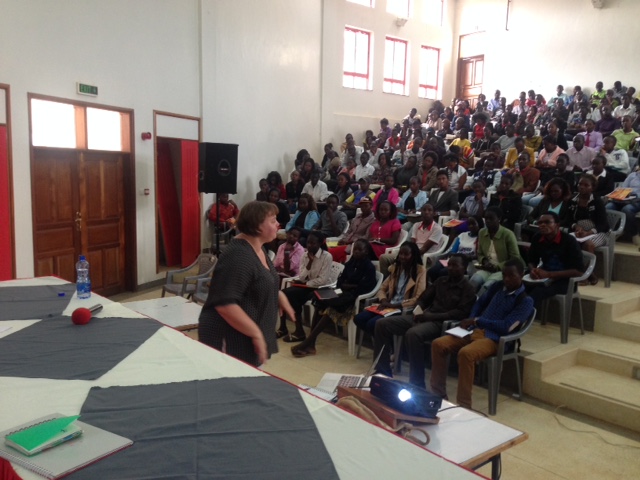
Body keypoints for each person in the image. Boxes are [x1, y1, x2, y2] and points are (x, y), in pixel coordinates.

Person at [199, 201, 296, 366]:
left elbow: (256, 281)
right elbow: (225, 304)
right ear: (257, 227)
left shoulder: (257, 247)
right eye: (272, 221)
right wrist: (256, 334)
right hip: (227, 336)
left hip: (244, 334)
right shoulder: (239, 255)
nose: (278, 224)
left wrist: (277, 295)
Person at [430, 259, 534, 409]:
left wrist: (478, 321)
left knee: (466, 353)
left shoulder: (525, 301)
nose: (506, 279)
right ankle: (437, 394)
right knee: (438, 344)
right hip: (474, 330)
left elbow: (506, 327)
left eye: (511, 276)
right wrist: (472, 319)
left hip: (495, 339)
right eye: (504, 275)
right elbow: (479, 303)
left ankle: (464, 405)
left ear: (522, 275)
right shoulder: (497, 287)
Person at [373, 254, 475, 388]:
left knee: (413, 334)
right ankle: (382, 371)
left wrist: (430, 317)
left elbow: (460, 313)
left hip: (441, 323)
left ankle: (417, 382)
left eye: (455, 266)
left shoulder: (468, 288)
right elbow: (423, 298)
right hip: (424, 317)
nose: (450, 268)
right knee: (382, 324)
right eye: (449, 265)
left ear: (465, 268)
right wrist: (419, 308)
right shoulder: (441, 281)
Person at [290, 239, 377, 357]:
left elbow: (365, 288)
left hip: (353, 300)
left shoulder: (369, 268)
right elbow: (340, 281)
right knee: (319, 301)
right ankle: (311, 344)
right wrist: (346, 285)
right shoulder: (351, 263)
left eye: (359, 250)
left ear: (366, 252)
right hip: (341, 293)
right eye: (355, 249)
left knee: (330, 310)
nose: (356, 252)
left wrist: (349, 286)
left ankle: (307, 343)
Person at [353, 242, 426, 337]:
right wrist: (383, 300)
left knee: (372, 323)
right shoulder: (396, 268)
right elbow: (382, 288)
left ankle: (385, 344)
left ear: (413, 255)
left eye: (406, 254)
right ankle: (384, 342)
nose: (402, 257)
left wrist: (394, 305)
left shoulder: (420, 271)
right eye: (401, 254)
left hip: (402, 308)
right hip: (388, 304)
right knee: (359, 318)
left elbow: (418, 297)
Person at [278, 231, 334, 343]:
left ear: (319, 244)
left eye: (313, 243)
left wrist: (306, 284)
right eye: (308, 243)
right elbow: (302, 276)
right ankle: (283, 327)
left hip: (321, 287)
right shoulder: (305, 255)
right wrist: (309, 263)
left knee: (294, 297)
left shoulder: (326, 256)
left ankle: (299, 332)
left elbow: (322, 280)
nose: (309, 246)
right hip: (307, 285)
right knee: (283, 294)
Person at [525, 212, 584, 309]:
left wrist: (549, 275)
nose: (542, 225)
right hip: (543, 277)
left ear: (557, 225)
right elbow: (531, 260)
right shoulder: (537, 237)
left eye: (547, 222)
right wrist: (533, 270)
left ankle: (520, 322)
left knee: (535, 294)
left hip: (565, 281)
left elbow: (579, 271)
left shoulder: (569, 241)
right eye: (540, 223)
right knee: (517, 288)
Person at [566, 174, 610, 285]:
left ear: (592, 187)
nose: (582, 187)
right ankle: (582, 273)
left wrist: (588, 232)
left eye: (586, 185)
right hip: (579, 232)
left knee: (588, 244)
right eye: (580, 184)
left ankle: (585, 275)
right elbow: (568, 220)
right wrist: (576, 227)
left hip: (598, 232)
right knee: (567, 242)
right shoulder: (572, 200)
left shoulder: (597, 201)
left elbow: (603, 225)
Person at [379, 204, 443, 277]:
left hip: (423, 256)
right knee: (383, 258)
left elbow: (424, 249)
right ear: (421, 212)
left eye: (429, 210)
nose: (426, 212)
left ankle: (400, 280)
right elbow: (412, 244)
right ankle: (387, 281)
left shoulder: (437, 229)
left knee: (403, 260)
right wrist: (404, 254)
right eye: (424, 210)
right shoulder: (416, 225)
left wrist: (405, 255)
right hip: (411, 252)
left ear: (434, 213)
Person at [469, 207, 521, 294]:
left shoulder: (508, 234)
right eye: (486, 218)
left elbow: (515, 258)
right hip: (487, 268)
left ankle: (478, 306)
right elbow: (480, 253)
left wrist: (497, 266)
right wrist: (485, 261)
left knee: (487, 287)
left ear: (499, 219)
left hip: (503, 270)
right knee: (473, 282)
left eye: (491, 218)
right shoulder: (482, 232)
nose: (488, 221)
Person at [427, 216, 482, 283]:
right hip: (454, 259)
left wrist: (466, 257)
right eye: (469, 224)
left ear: (480, 225)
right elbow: (453, 250)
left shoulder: (481, 238)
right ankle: (435, 289)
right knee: (432, 271)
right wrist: (453, 255)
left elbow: (478, 255)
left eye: (473, 224)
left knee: (443, 272)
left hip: (466, 264)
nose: (470, 226)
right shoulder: (462, 235)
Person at [329, 197, 375, 262]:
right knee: (325, 246)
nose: (363, 208)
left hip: (355, 246)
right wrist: (343, 239)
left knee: (330, 252)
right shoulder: (357, 217)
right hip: (345, 242)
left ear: (371, 206)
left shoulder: (373, 220)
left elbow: (366, 237)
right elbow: (349, 230)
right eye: (362, 206)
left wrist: (348, 242)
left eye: (366, 206)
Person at [605, 169, 640, 244]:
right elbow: (623, 187)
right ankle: (613, 231)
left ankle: (634, 233)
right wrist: (625, 194)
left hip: (638, 200)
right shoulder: (632, 175)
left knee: (627, 209)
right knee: (608, 207)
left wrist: (636, 195)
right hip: (626, 199)